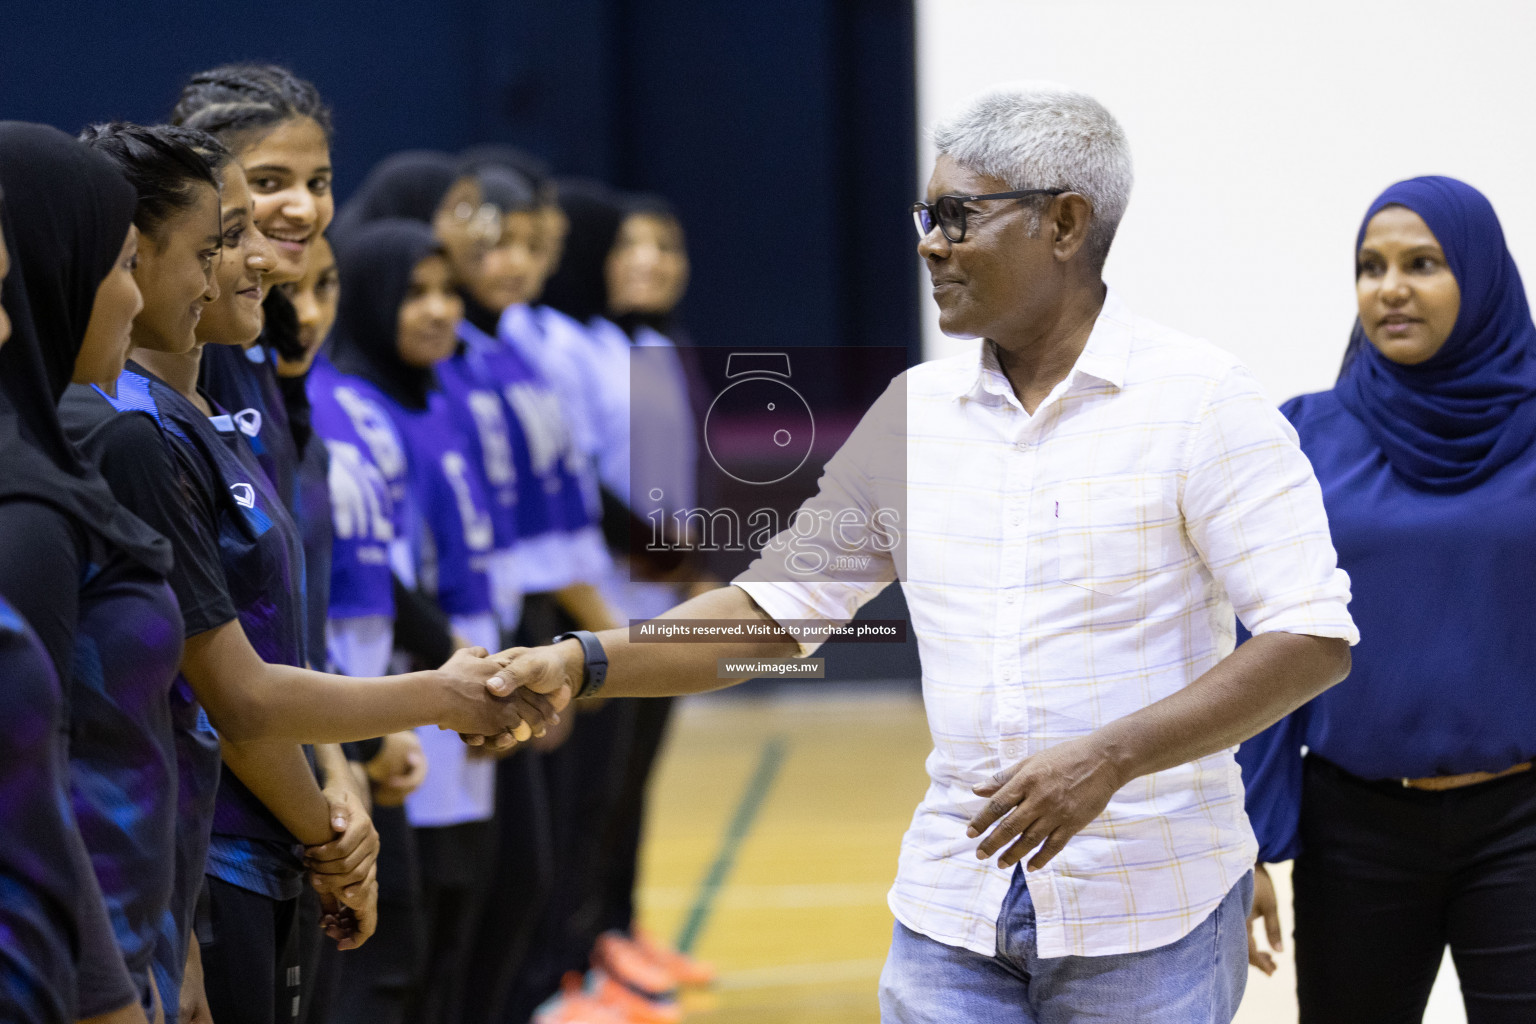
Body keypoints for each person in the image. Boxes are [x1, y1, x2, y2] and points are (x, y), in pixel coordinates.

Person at [491, 81, 1359, 1024]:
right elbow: (776, 619)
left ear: (1065, 224)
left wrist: (1109, 758)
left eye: (958, 217)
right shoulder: (915, 416)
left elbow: (1312, 636)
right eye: (926, 215)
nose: (929, 243)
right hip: (954, 910)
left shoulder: (1203, 402)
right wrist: (583, 662)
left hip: (1153, 908)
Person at [62, 129, 551, 1024]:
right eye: (220, 240)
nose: (250, 265)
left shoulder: (214, 418)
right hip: (201, 853)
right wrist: (425, 709)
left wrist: (337, 780)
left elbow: (282, 629)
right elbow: (229, 696)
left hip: (259, 836)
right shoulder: (127, 431)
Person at [1239, 177, 1536, 1023]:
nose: (1390, 287)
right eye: (1370, 267)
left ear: (1480, 279)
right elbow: (1262, 635)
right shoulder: (1306, 436)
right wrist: (1249, 842)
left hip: (1524, 820)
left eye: (1423, 263)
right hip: (1356, 824)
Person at [0, 128, 179, 1024]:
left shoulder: (53, 464)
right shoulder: (24, 514)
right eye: (120, 265)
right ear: (50, 266)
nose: (136, 298)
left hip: (122, 948)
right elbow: (37, 781)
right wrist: (113, 999)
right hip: (65, 978)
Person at [323, 217, 504, 1024]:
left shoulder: (436, 397)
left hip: (454, 674)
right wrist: (465, 664)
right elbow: (384, 581)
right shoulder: (348, 409)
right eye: (415, 294)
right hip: (402, 691)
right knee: (396, 944)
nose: (439, 311)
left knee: (456, 918)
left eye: (447, 292)